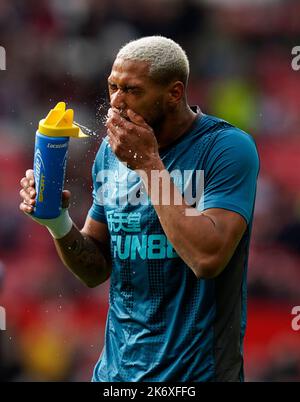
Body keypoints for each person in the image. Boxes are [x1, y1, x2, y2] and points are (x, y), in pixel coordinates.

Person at [19, 36, 259, 382]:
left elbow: (208, 258)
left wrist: (148, 164)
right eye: (112, 87)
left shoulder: (225, 148)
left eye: (132, 90)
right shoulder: (111, 154)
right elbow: (96, 270)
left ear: (174, 93)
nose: (116, 101)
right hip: (115, 376)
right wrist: (57, 221)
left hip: (196, 376)